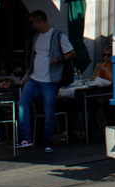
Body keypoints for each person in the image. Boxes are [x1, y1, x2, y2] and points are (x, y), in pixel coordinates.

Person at [17, 10, 75, 152]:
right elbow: (35, 57)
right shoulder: (36, 37)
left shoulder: (58, 35)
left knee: (49, 111)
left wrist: (59, 59)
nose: (31, 25)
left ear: (39, 21)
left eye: (32, 22)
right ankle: (26, 138)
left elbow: (72, 53)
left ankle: (48, 141)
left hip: (50, 80)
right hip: (34, 77)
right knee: (22, 103)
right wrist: (28, 74)